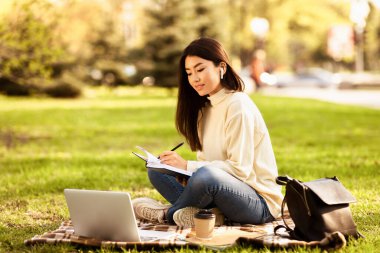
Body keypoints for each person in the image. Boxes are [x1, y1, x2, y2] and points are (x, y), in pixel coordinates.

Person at [133, 37, 283, 227]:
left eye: (200, 69)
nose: (194, 78)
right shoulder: (204, 109)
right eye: (189, 73)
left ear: (221, 67)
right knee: (157, 171)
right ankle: (212, 215)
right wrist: (179, 170)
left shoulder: (238, 105)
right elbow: (205, 164)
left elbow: (240, 170)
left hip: (259, 203)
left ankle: (165, 214)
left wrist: (188, 166)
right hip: (221, 194)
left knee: (206, 176)